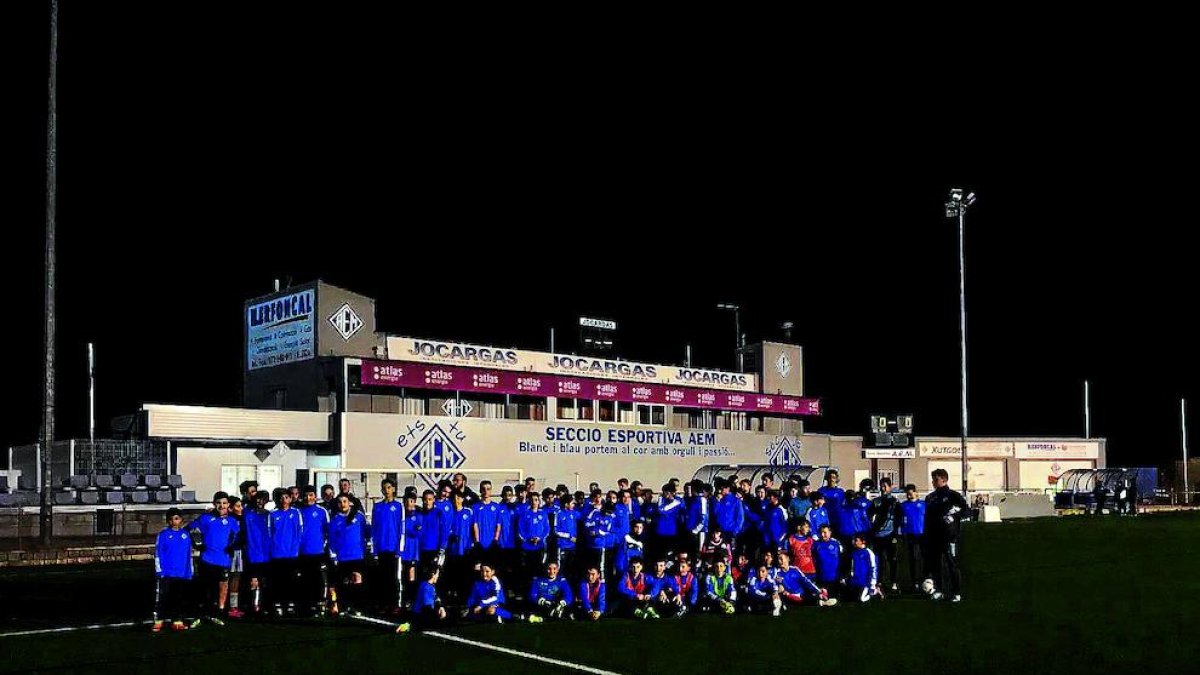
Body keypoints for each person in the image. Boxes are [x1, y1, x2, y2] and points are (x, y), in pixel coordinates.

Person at [188, 492, 240, 625]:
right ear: (214, 504)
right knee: (204, 587)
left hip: (223, 560)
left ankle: (218, 614)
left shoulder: (232, 521)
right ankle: (201, 615)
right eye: (218, 503)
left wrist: (232, 546)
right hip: (207, 559)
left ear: (228, 505)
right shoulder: (205, 518)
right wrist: (197, 544)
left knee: (221, 588)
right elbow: (189, 529)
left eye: (224, 503)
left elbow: (238, 537)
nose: (221, 506)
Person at [924, 468, 968, 602]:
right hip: (934, 537)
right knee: (936, 565)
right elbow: (927, 518)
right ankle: (939, 590)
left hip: (950, 536)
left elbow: (967, 510)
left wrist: (954, 515)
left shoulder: (953, 495)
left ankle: (956, 592)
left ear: (944, 480)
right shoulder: (930, 498)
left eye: (936, 479)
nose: (933, 482)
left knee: (951, 564)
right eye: (933, 479)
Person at [327, 494, 370, 615]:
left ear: (350, 502)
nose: (343, 504)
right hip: (342, 555)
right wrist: (333, 554)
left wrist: (368, 546)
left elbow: (367, 531)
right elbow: (332, 538)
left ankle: (357, 606)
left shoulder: (359, 516)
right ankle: (343, 606)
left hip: (357, 554)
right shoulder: (335, 519)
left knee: (357, 580)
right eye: (340, 502)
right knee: (343, 582)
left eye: (345, 501)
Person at [153, 508, 195, 632]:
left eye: (176, 518)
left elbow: (189, 554)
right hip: (166, 572)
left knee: (178, 597)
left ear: (181, 520)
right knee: (163, 596)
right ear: (168, 521)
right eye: (171, 519)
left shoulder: (185, 535)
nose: (174, 521)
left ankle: (177, 620)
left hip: (181, 572)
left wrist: (190, 570)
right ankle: (159, 620)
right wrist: (159, 570)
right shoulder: (163, 535)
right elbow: (158, 552)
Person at [268, 489, 303, 615]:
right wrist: (273, 548)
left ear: (290, 499)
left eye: (286, 497)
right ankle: (278, 603)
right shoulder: (272, 514)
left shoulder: (296, 512)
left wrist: (296, 547)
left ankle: (290, 603)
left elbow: (300, 530)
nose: (284, 500)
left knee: (292, 580)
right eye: (281, 498)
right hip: (277, 553)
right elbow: (269, 533)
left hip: (292, 553)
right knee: (278, 580)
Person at [372, 479, 404, 613]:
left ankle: (395, 603)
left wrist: (399, 549)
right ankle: (383, 603)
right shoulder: (377, 507)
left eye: (389, 487)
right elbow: (374, 529)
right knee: (382, 578)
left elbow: (401, 527)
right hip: (381, 547)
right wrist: (374, 550)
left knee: (393, 577)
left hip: (393, 548)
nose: (386, 490)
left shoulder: (398, 506)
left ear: (394, 489)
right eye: (384, 488)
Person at [869, 477, 901, 592]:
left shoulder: (895, 502)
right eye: (881, 486)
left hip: (890, 534)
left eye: (885, 486)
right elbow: (870, 516)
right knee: (879, 559)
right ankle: (880, 581)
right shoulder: (876, 501)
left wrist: (896, 534)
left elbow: (898, 518)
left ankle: (894, 582)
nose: (883, 489)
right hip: (877, 535)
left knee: (892, 558)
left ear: (890, 487)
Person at [517, 492, 550, 591]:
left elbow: (547, 529)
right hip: (527, 547)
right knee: (528, 571)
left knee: (540, 569)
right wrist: (529, 539)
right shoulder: (524, 514)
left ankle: (540, 591)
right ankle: (527, 591)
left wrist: (540, 538)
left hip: (540, 546)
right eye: (532, 500)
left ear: (539, 501)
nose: (534, 502)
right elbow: (520, 530)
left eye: (536, 500)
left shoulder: (543, 514)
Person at [899, 484, 926, 593]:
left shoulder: (923, 504)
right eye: (907, 494)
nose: (909, 496)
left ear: (916, 492)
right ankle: (915, 582)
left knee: (923, 557)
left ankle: (925, 579)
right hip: (909, 534)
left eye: (910, 493)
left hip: (922, 534)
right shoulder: (903, 506)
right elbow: (900, 520)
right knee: (913, 558)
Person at [848, 534, 882, 603]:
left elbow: (873, 568)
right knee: (851, 598)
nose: (855, 542)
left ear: (863, 541)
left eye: (856, 540)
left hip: (866, 582)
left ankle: (875, 592)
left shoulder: (869, 553)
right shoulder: (854, 553)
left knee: (862, 599)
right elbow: (852, 567)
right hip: (856, 581)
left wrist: (872, 583)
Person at [812, 524, 843, 591]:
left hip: (835, 576)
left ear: (830, 532)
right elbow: (813, 559)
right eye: (821, 532)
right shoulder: (815, 545)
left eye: (825, 532)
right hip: (822, 576)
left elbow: (840, 559)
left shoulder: (836, 543)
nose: (822, 535)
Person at [817, 470, 845, 536]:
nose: (831, 479)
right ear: (827, 478)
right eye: (830, 477)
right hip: (825, 518)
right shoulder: (821, 491)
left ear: (836, 479)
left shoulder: (840, 492)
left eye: (834, 477)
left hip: (837, 519)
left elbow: (844, 504)